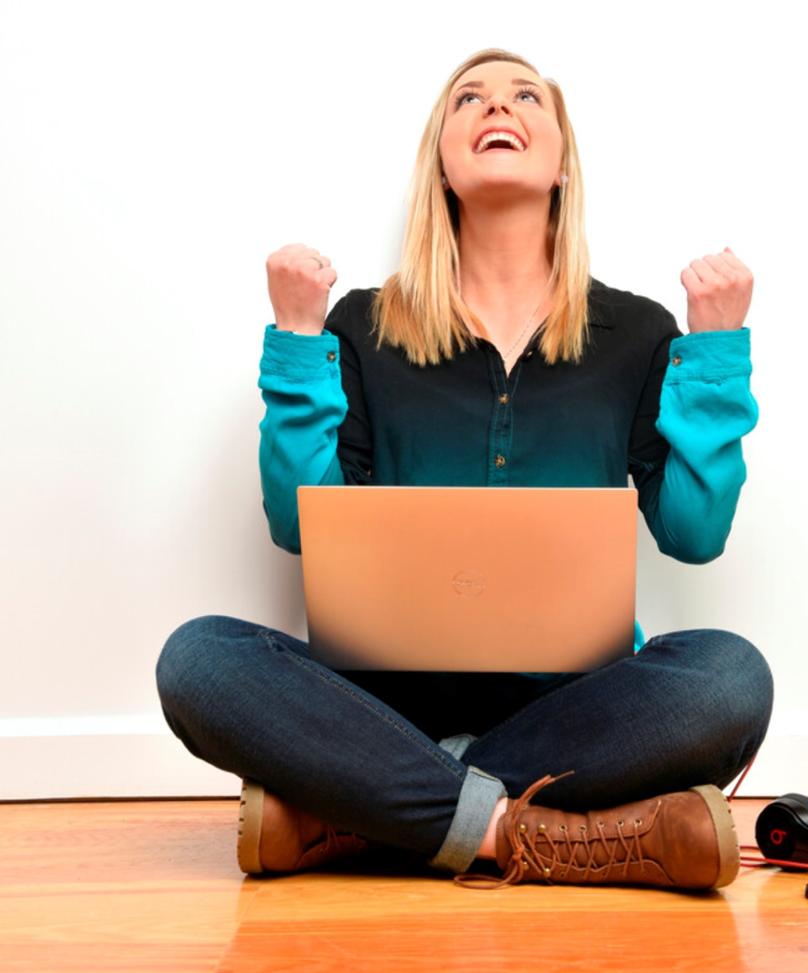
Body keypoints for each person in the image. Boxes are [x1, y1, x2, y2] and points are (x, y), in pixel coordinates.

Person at [155, 48, 774, 892]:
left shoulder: (636, 334)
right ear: (441, 164)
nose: (498, 107)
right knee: (198, 661)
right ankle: (532, 833)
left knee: (732, 678)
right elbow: (298, 526)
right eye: (468, 100)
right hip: (380, 705)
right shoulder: (364, 325)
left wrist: (713, 354)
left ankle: (365, 811)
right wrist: (299, 343)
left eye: (527, 98)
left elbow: (696, 535)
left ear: (562, 166)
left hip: (574, 713)